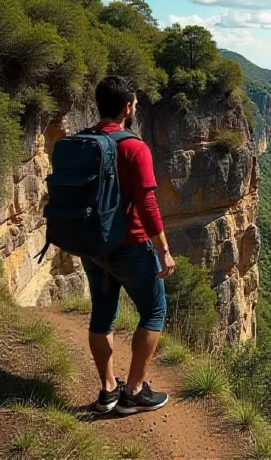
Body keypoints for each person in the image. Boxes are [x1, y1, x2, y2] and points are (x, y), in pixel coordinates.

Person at [84, 75, 175, 415]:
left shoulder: (84, 141)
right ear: (127, 108)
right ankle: (134, 392)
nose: (136, 108)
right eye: (135, 103)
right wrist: (163, 248)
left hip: (92, 246)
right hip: (130, 246)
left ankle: (107, 390)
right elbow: (148, 204)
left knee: (102, 314)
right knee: (154, 311)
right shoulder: (133, 147)